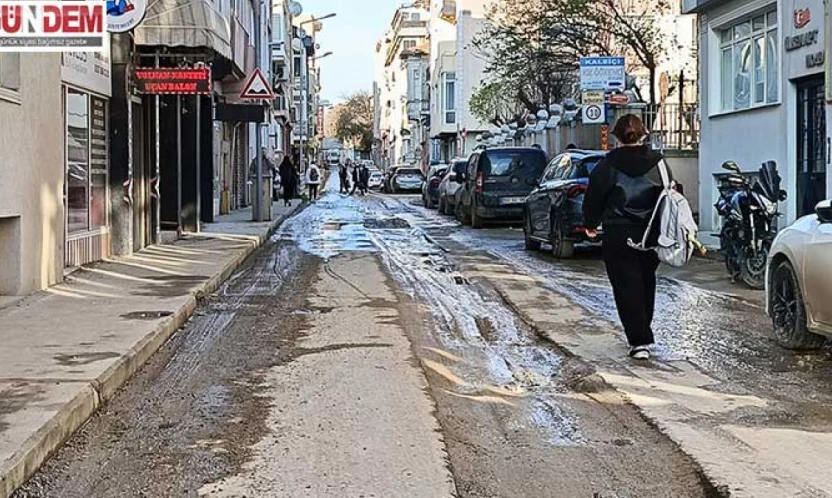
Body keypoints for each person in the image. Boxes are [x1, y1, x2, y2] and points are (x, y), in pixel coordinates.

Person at [582, 114, 672, 361]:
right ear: (643, 134)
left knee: (625, 286)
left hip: (618, 232)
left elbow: (594, 197)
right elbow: (670, 192)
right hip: (650, 231)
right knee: (646, 281)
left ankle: (638, 340)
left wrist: (590, 224)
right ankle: (643, 331)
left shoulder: (607, 165)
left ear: (617, 137)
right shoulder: (659, 163)